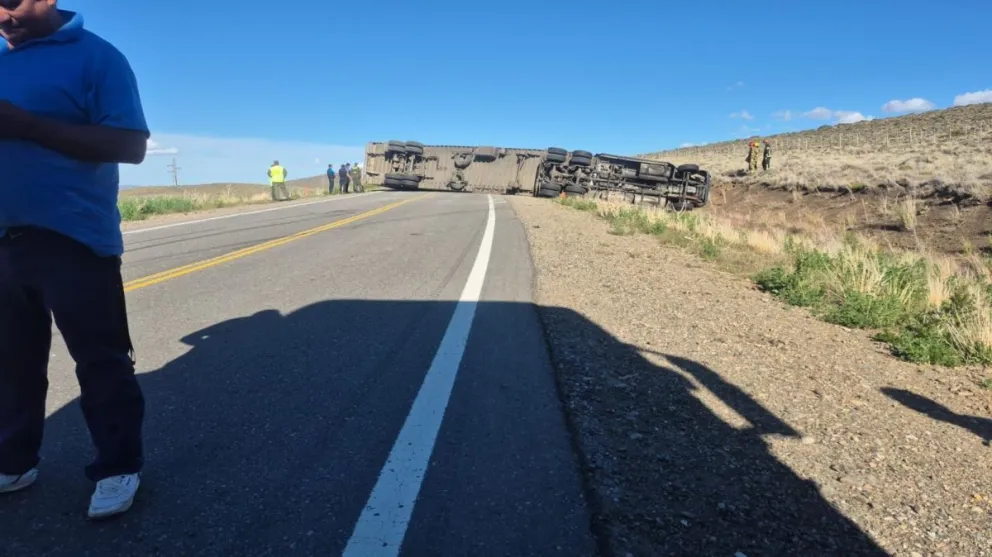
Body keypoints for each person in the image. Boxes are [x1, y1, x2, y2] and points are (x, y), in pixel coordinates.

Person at [0, 2, 148, 520]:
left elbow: (130, 145)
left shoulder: (98, 57)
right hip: (3, 241)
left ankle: (117, 466)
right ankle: (14, 461)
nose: (1, 13)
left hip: (74, 238)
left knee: (101, 361)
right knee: (11, 362)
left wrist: (24, 125)